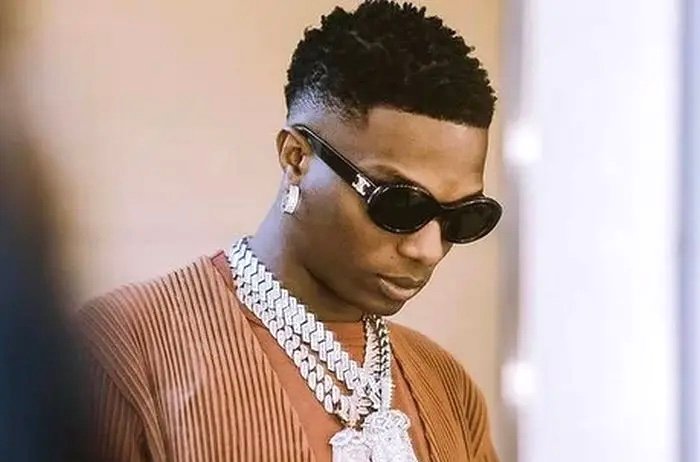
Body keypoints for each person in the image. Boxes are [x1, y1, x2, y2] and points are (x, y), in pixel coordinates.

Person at [79, 1, 501, 461]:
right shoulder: (128, 349)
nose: (429, 248)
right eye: (399, 204)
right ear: (296, 158)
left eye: (463, 218)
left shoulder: (448, 388)